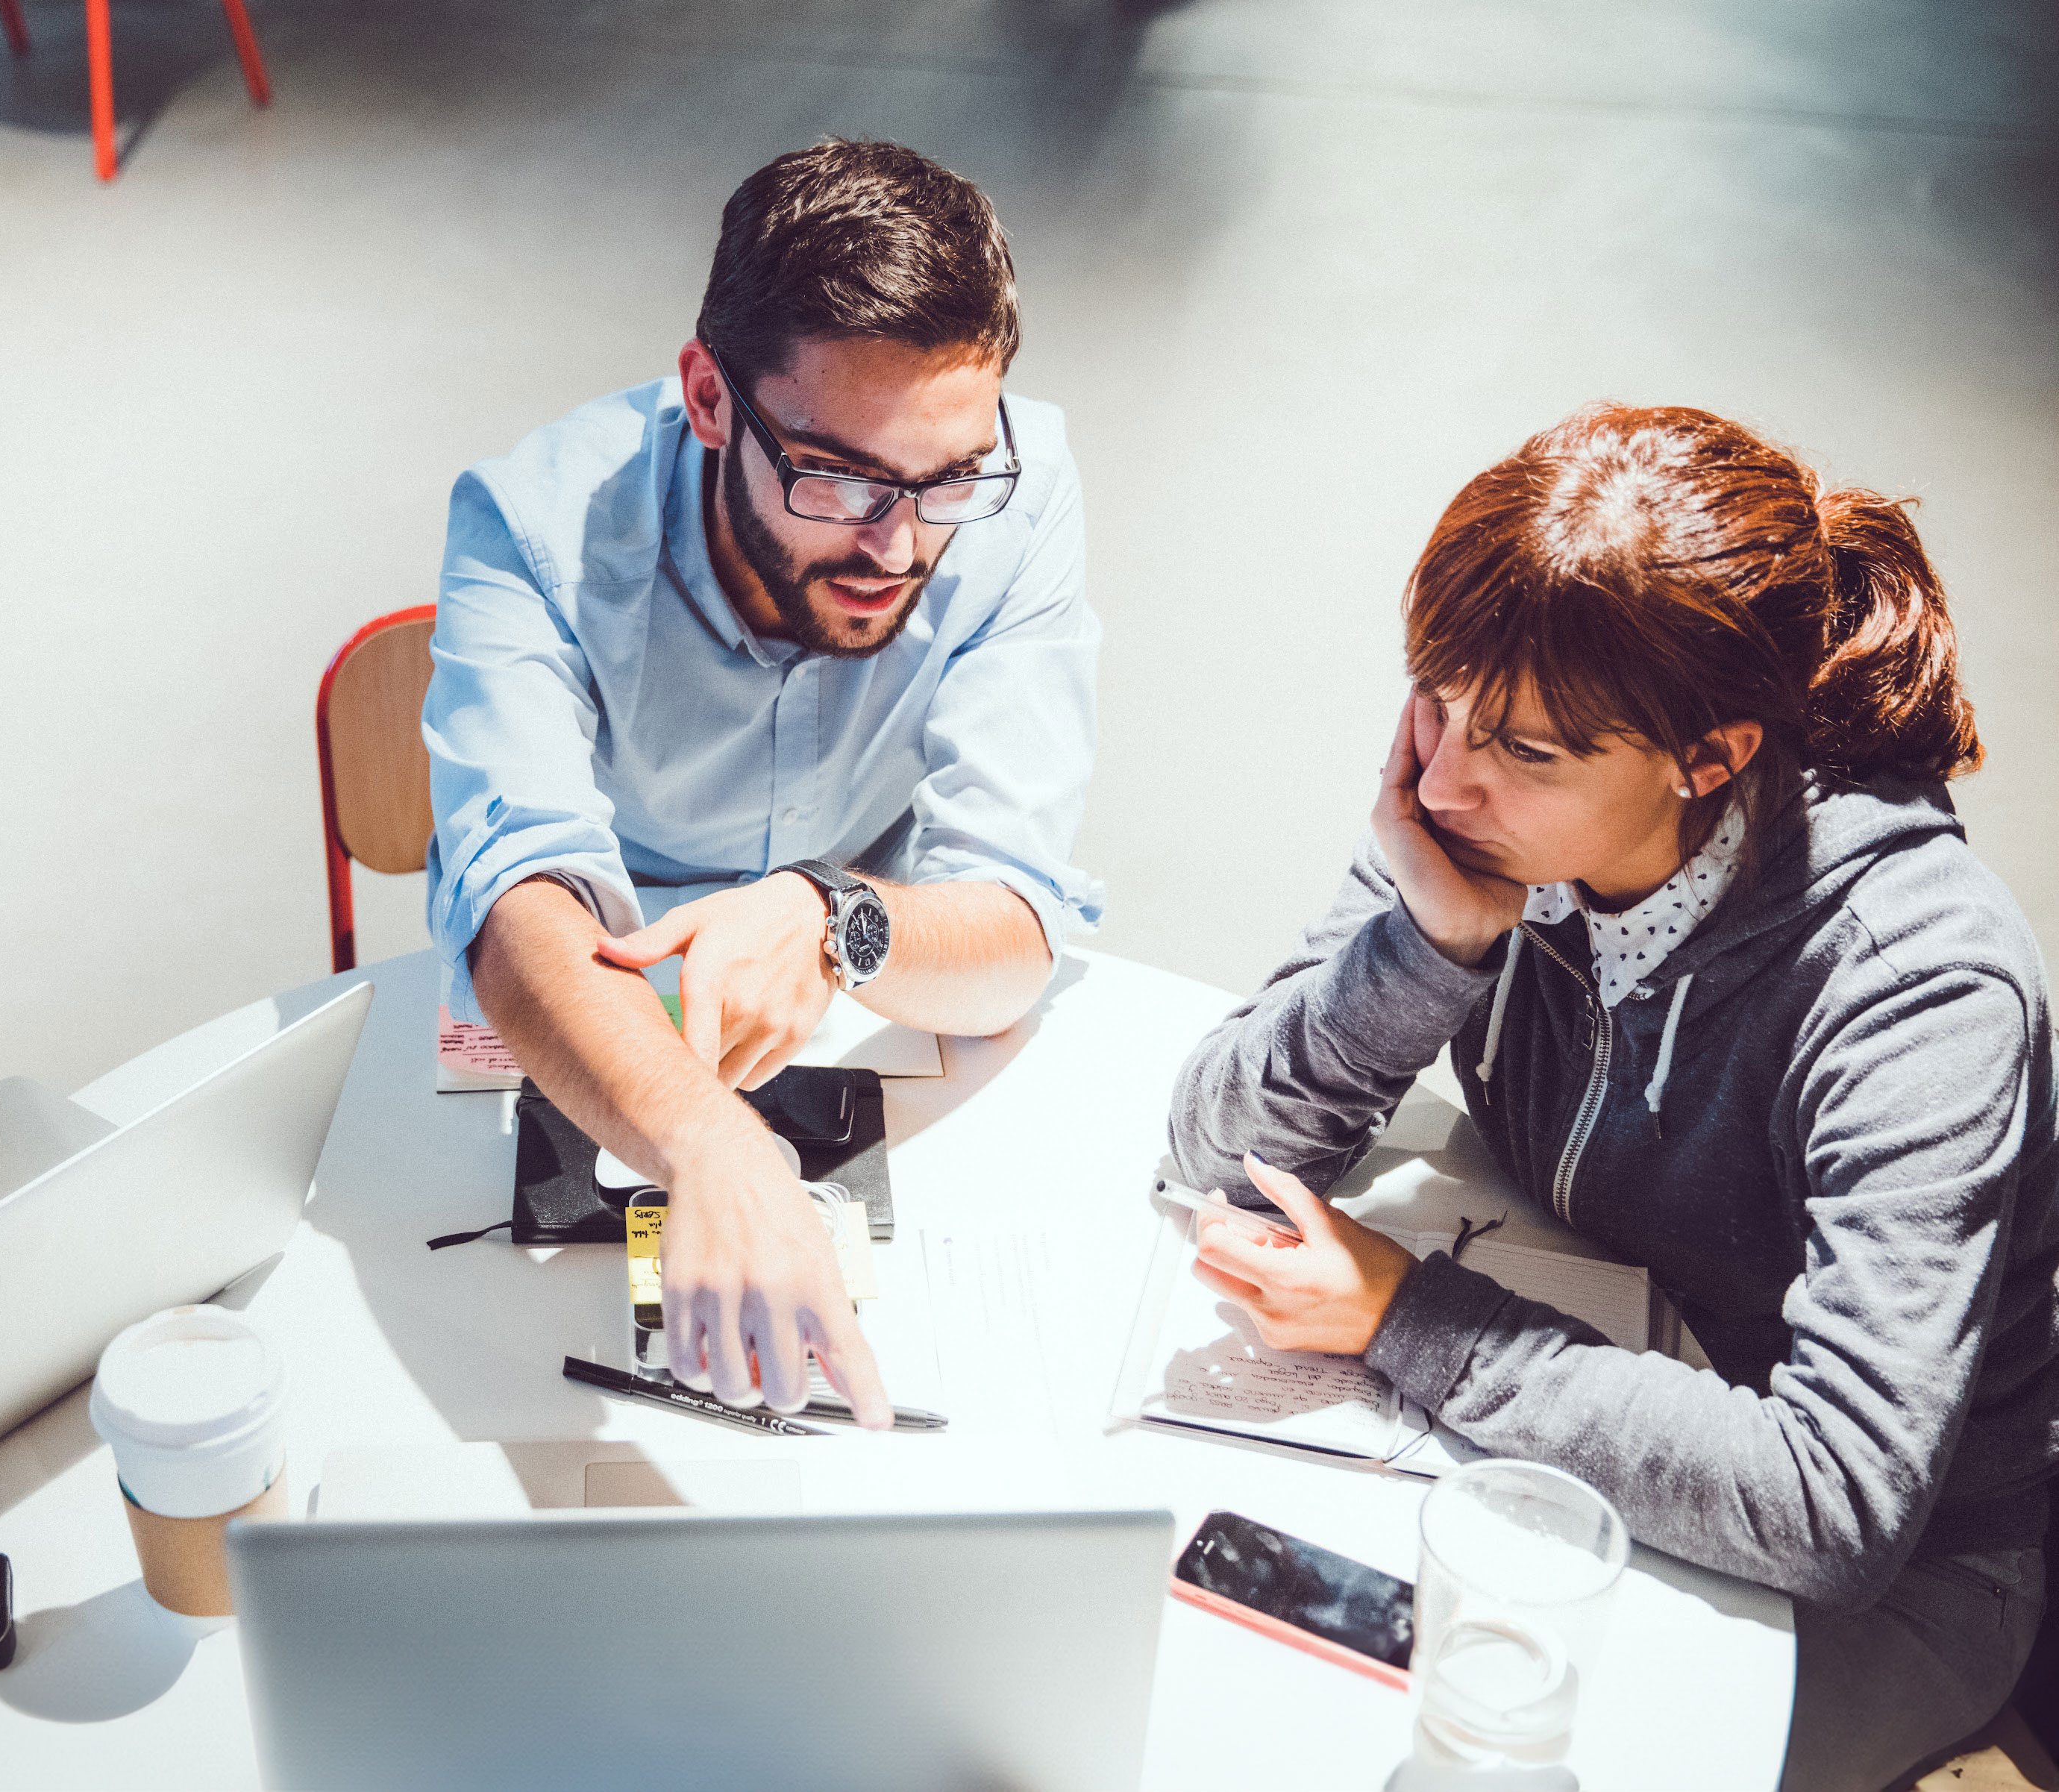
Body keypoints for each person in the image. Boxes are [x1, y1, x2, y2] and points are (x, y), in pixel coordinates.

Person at [1167, 404, 2058, 1790]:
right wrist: (1431, 945)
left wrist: (1412, 1315)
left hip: (1899, 1587)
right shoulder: (1466, 818)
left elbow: (1834, 1502)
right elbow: (1218, 1144)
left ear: (1709, 757)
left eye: (1525, 750)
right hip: (1585, 1406)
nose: (1444, 777)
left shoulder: (1918, 983)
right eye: (1437, 702)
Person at [424, 140, 1103, 1430]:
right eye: (836, 475)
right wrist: (714, 1146)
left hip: (859, 978)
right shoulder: (532, 527)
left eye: (947, 477)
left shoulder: (1021, 494)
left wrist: (825, 911)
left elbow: (1013, 933)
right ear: (708, 395)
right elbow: (519, 918)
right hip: (603, 1003)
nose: (896, 545)